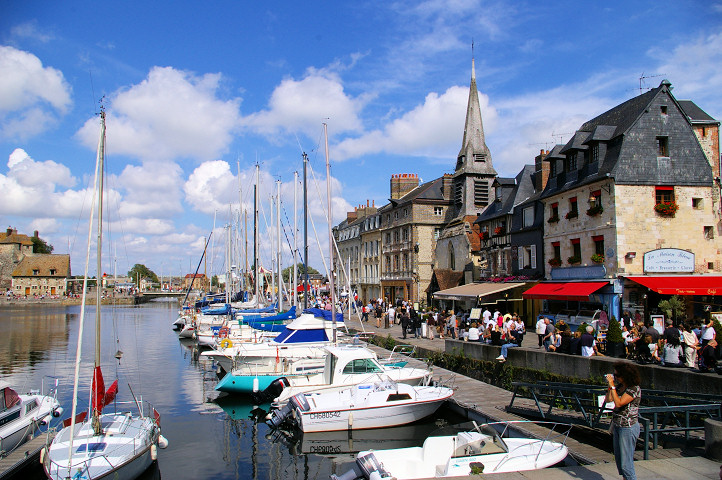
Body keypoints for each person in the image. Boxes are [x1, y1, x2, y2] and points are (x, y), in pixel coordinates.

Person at [605, 362, 642, 480]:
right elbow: (609, 399)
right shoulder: (621, 387)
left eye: (617, 375)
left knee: (626, 463)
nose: (615, 377)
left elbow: (619, 403)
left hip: (628, 427)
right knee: (620, 460)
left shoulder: (634, 389)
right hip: (617, 425)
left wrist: (612, 385)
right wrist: (610, 386)